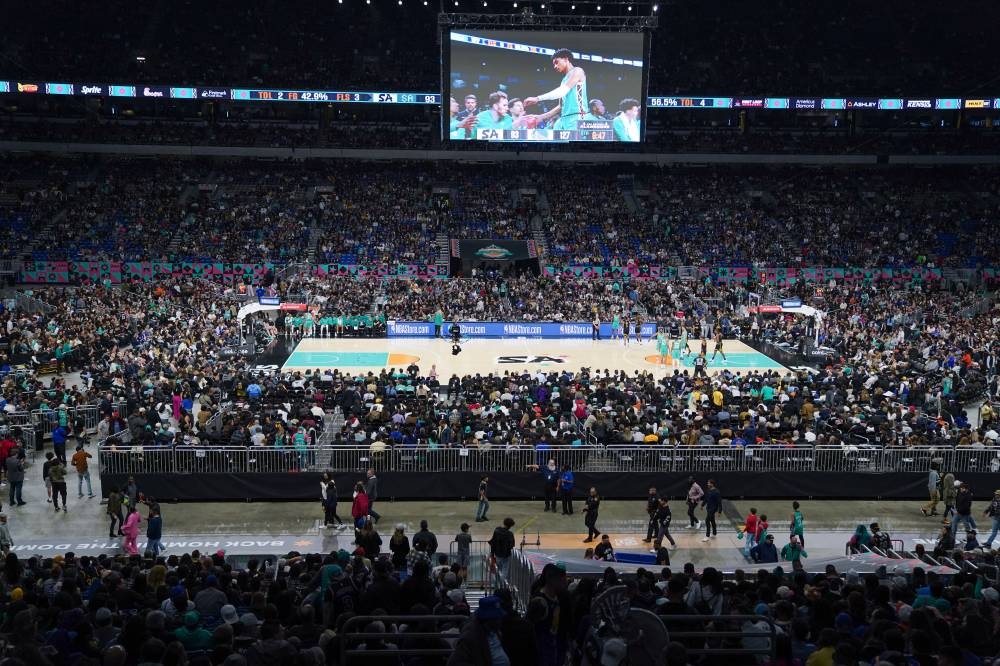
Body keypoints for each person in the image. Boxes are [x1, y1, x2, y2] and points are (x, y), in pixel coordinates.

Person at [524, 48, 588, 132]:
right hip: (564, 119)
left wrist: (537, 98)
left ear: (565, 59)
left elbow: (562, 91)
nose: (555, 66)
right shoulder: (563, 80)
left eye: (556, 62)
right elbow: (560, 106)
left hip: (578, 117)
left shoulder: (578, 71)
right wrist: (541, 117)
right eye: (553, 64)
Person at [446, 595, 508, 666]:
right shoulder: (470, 637)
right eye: (498, 618)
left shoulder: (494, 631)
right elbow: (454, 662)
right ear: (489, 619)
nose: (501, 620)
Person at [489, 517, 516, 582]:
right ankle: (502, 585)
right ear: (511, 526)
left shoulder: (497, 530)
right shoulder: (510, 534)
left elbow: (493, 542)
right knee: (505, 571)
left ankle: (497, 583)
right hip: (506, 555)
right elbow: (512, 545)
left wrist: (492, 554)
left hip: (497, 554)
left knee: (498, 569)